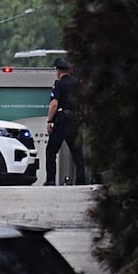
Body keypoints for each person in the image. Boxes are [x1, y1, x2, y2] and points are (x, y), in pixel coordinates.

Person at [44, 57, 87, 186]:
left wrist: (49, 120)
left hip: (61, 121)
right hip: (75, 121)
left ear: (58, 71)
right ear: (69, 71)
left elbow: (54, 104)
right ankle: (81, 180)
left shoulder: (58, 84)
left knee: (51, 151)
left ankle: (51, 180)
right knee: (77, 152)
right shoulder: (78, 85)